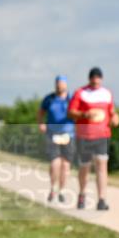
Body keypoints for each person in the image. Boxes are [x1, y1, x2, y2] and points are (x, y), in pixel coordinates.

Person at [68, 67, 119, 210]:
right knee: (85, 166)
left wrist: (115, 118)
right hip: (84, 135)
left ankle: (102, 199)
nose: (96, 81)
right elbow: (71, 112)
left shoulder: (107, 93)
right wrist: (84, 114)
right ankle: (82, 194)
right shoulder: (80, 93)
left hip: (102, 135)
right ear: (90, 79)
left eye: (98, 78)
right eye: (94, 78)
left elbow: (112, 111)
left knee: (102, 165)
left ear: (101, 79)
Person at [37, 75, 75, 203]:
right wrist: (41, 123)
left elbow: (78, 114)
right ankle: (53, 188)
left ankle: (62, 190)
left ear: (66, 85)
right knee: (55, 163)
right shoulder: (49, 99)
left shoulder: (71, 99)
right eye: (57, 84)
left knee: (65, 165)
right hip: (52, 134)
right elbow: (41, 112)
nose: (59, 87)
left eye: (61, 84)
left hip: (68, 135)